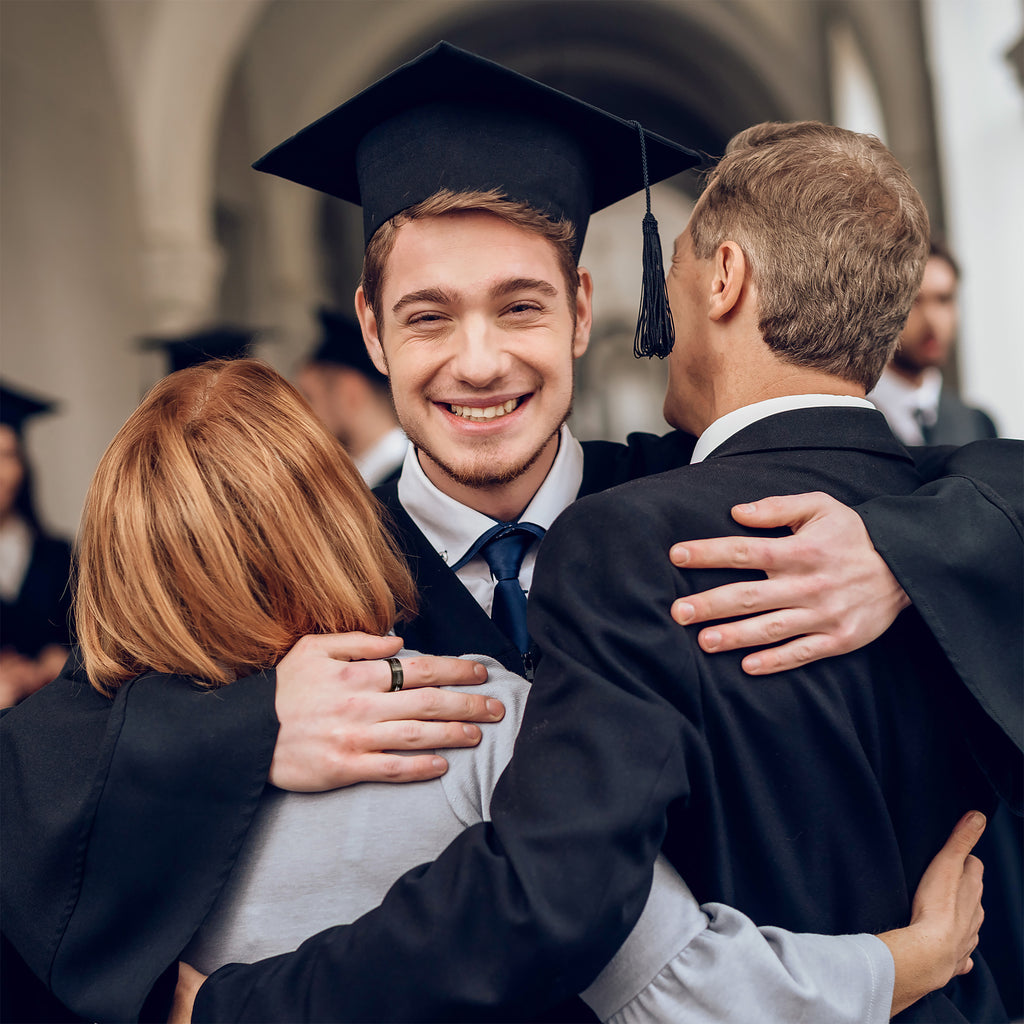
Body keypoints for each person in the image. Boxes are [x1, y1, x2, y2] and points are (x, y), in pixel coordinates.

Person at [4, 41, 1022, 1020]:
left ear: (582, 309)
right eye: (429, 316)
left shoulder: (716, 510)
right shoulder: (303, 575)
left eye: (520, 307)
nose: (479, 362)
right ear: (370, 329)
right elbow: (43, 758)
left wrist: (908, 549)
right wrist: (251, 722)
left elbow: (968, 471)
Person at [2, 358, 980, 1024]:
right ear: (331, 513)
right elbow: (682, 989)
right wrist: (912, 958)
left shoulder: (89, 820)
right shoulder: (468, 719)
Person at [869, 238, 999, 445]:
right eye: (914, 301)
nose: (932, 319)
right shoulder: (855, 421)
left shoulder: (976, 424)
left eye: (944, 299)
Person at [0, 382, 73, 707]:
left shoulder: (58, 556)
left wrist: (61, 663)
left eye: (7, 455)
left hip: (49, 718)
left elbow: (83, 644)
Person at [297, 307, 408, 486]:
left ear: (349, 393)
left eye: (310, 397)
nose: (302, 413)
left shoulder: (412, 484)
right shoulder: (362, 482)